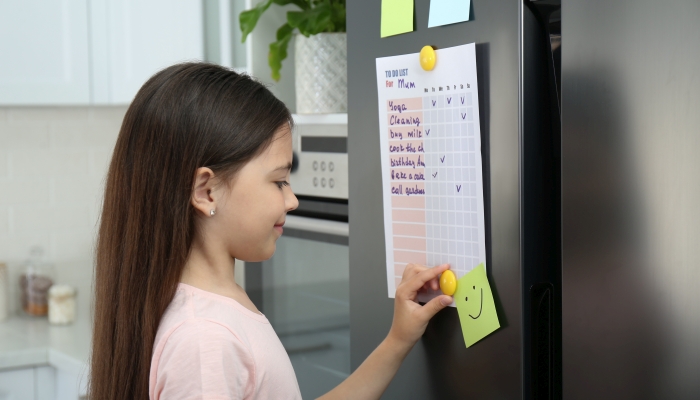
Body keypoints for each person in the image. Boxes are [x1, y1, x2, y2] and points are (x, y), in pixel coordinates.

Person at [89, 62, 453, 400]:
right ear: (206, 191)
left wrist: (398, 339)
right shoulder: (206, 342)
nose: (292, 200)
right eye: (279, 181)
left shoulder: (218, 308)